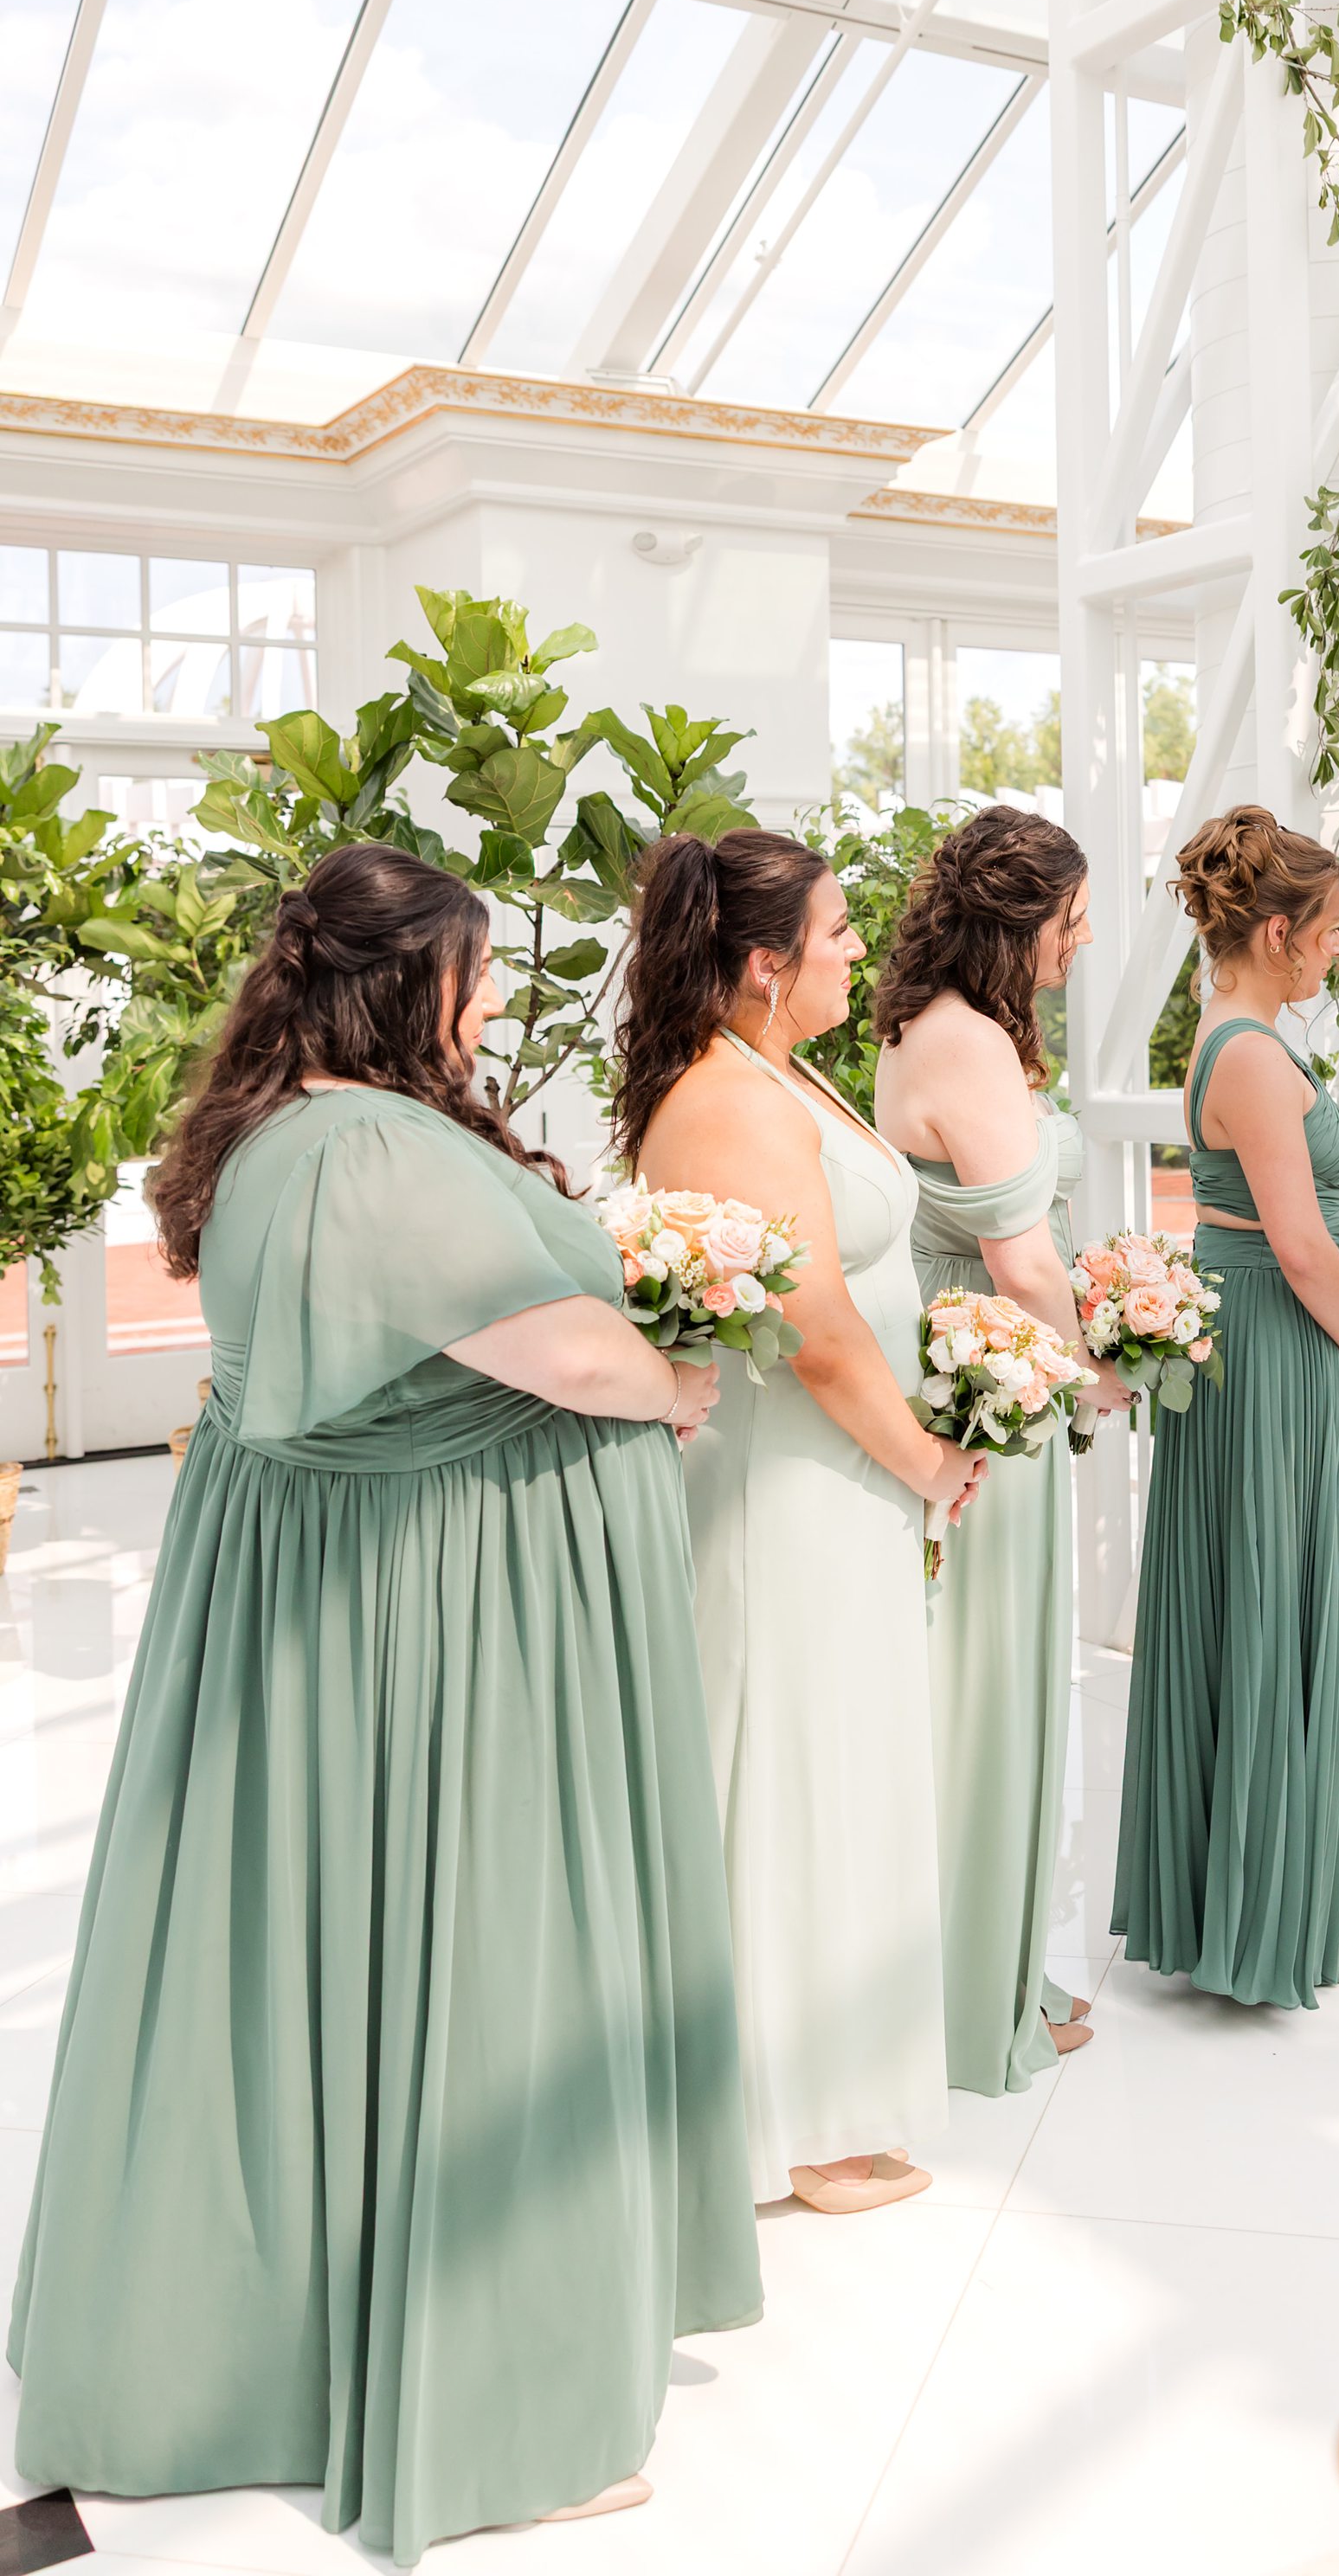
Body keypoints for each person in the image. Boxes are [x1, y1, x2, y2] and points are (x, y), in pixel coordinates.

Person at [9, 842, 760, 2566]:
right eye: (475, 973)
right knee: (492, 1954)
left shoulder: (283, 1133)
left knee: (330, 1955)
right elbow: (553, 1351)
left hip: (366, 1598)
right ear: (402, 981)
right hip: (442, 1612)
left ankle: (286, 2340)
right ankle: (502, 2410)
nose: (491, 1002)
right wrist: (670, 1380)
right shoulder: (366, 1147)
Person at [615, 829, 985, 2218]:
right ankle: (785, 2119)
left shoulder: (780, 1068)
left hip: (842, 1478)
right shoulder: (732, 1098)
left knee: (839, 1757)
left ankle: (819, 2089)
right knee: (791, 1766)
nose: (853, 952)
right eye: (833, 934)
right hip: (795, 1481)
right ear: (765, 964)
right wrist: (926, 1458)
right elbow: (817, 1332)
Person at [1111, 806, 1339, 2010]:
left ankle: (1259, 1892)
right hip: (1278, 1346)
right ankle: (1286, 1913)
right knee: (1283, 1593)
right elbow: (1297, 1243)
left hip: (1264, 1340)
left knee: (1267, 1594)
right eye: (1333, 934)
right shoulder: (1246, 1052)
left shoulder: (1242, 1039)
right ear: (1280, 931)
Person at [873, 807, 1130, 2093]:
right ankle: (976, 1991)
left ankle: (979, 1964)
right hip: (987, 1369)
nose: (1082, 946)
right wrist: (1101, 1369)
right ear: (1024, 921)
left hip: (968, 1348)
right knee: (989, 1677)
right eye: (1075, 922)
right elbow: (1021, 1259)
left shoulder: (933, 1026)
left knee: (975, 1666)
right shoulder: (969, 1043)